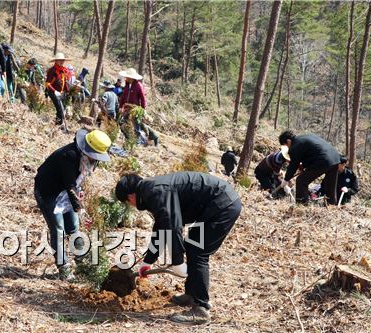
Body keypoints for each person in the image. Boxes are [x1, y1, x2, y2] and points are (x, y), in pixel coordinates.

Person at [115, 172, 241, 325]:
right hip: (217, 204)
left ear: (131, 196)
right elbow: (162, 227)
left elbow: (173, 227)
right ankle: (191, 295)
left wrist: (178, 262)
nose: (131, 205)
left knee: (198, 251)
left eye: (128, 202)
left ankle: (201, 309)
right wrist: (148, 261)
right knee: (193, 244)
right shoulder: (151, 190)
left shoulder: (154, 191)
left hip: (223, 205)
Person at [34, 129, 112, 280]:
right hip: (48, 192)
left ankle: (82, 264)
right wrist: (80, 209)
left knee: (73, 228)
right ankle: (64, 270)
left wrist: (80, 196)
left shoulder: (88, 160)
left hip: (65, 192)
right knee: (58, 230)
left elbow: (77, 183)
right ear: (87, 148)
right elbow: (70, 186)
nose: (95, 159)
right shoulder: (69, 156)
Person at [279, 130, 341, 205]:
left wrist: (286, 180)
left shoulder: (295, 145)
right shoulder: (306, 137)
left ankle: (301, 205)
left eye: (286, 145)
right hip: (335, 158)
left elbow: (293, 165)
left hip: (323, 160)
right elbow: (313, 153)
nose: (288, 148)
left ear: (288, 141)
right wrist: (304, 167)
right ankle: (332, 205)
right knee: (330, 185)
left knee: (301, 181)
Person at [118, 68, 159, 146]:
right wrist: (121, 106)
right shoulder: (127, 85)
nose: (125, 78)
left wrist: (143, 109)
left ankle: (140, 142)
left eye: (127, 77)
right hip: (127, 108)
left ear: (131, 77)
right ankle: (130, 139)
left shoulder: (138, 85)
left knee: (136, 126)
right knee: (123, 123)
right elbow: (123, 96)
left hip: (135, 109)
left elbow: (143, 98)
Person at [45, 52, 71, 126]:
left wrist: (68, 91)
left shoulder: (63, 70)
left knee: (62, 108)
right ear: (56, 61)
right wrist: (55, 91)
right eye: (60, 60)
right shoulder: (52, 70)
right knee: (60, 109)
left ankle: (58, 124)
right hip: (52, 92)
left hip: (62, 93)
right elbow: (47, 83)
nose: (62, 62)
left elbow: (64, 82)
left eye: (62, 60)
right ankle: (58, 125)